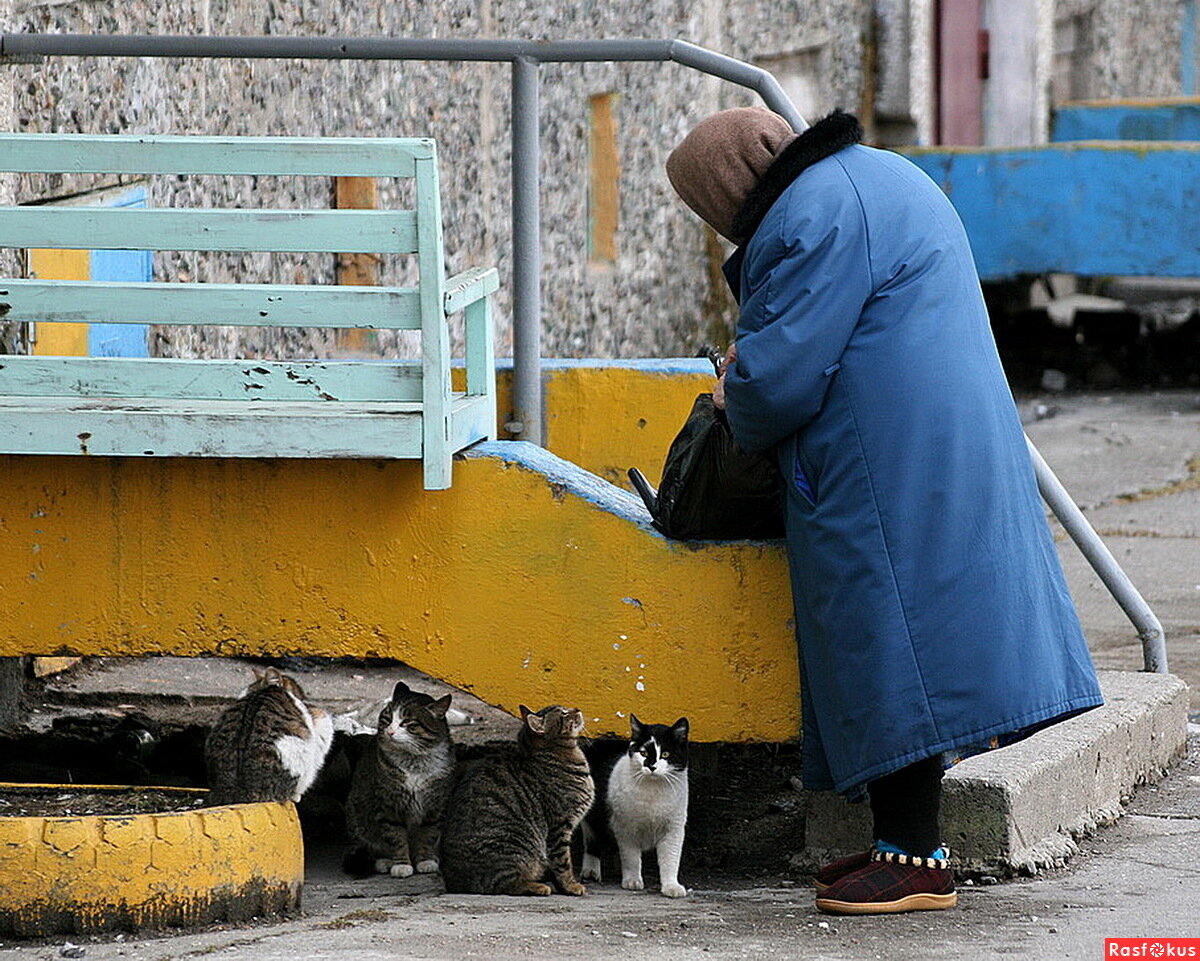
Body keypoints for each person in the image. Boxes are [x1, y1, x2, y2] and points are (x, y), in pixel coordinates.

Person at [666, 108, 1103, 915]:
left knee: (892, 642)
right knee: (914, 638)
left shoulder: (807, 219)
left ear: (726, 192)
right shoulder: (871, 176)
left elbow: (779, 385)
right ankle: (904, 844)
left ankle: (918, 860)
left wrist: (735, 387)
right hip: (931, 435)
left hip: (884, 458)